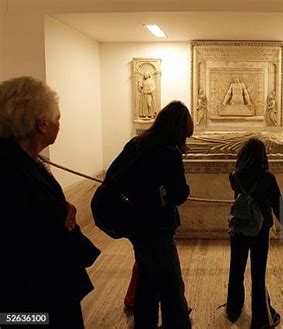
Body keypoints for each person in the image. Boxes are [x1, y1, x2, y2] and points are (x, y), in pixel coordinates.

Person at [0, 76, 97, 328]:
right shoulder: (11, 170)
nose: (59, 124)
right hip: (30, 299)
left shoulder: (21, 161)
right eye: (58, 119)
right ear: (42, 124)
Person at [104, 100, 193, 328]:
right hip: (158, 227)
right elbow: (180, 193)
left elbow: (112, 178)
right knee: (172, 287)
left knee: (147, 283)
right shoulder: (168, 152)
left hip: (136, 225)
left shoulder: (136, 143)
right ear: (179, 130)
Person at [225, 138, 283, 328]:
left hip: (239, 228)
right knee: (258, 274)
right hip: (260, 230)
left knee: (236, 269)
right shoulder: (268, 178)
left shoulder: (234, 176)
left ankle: (233, 308)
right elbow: (278, 207)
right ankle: (260, 318)